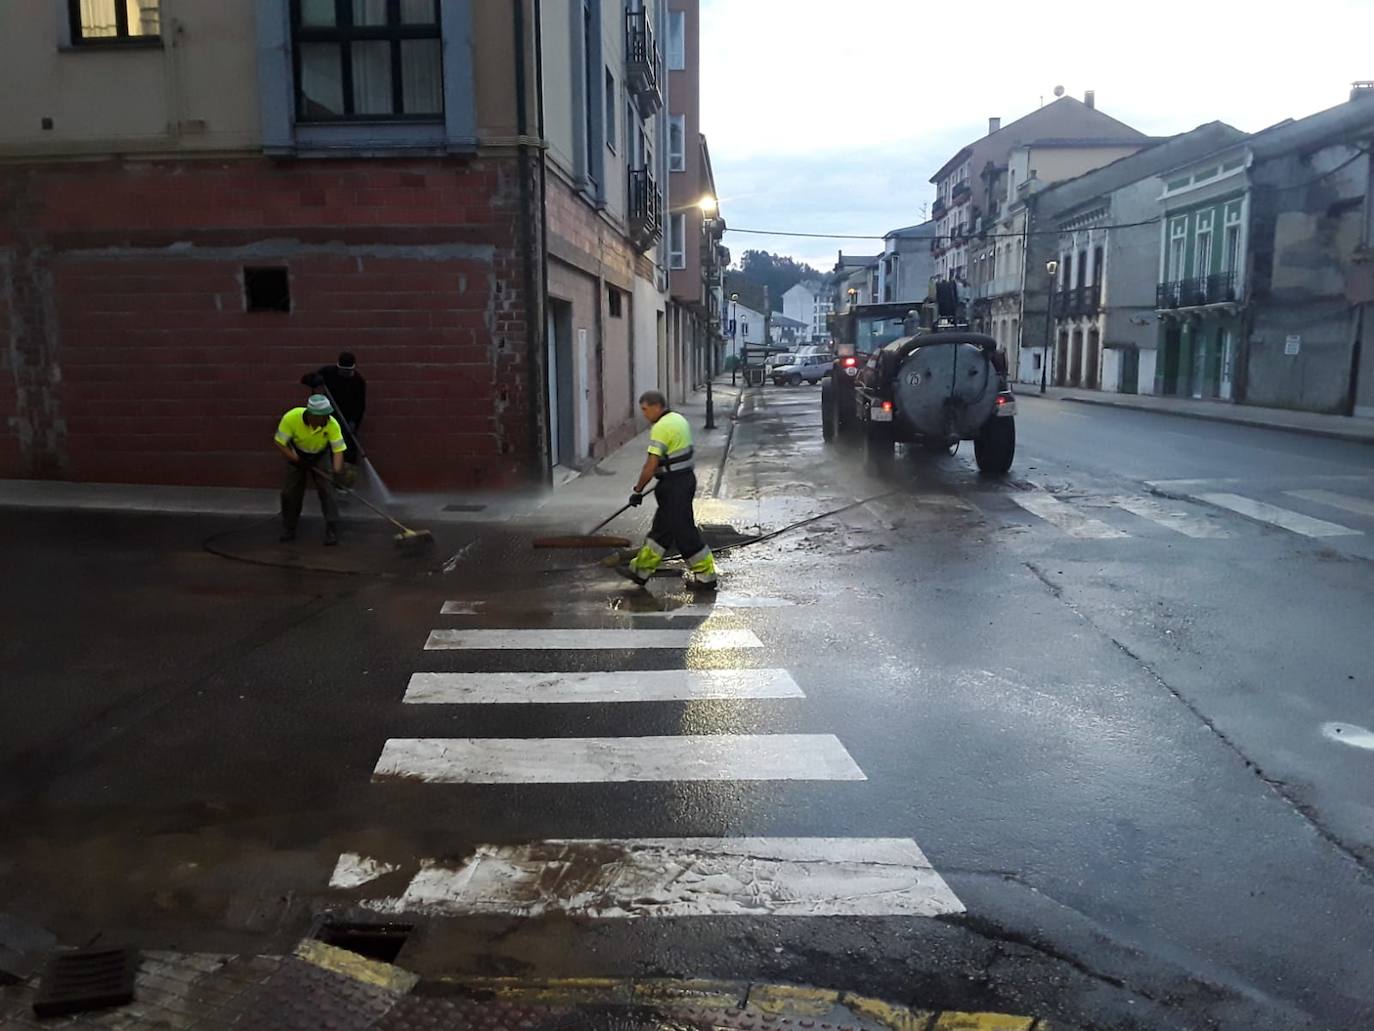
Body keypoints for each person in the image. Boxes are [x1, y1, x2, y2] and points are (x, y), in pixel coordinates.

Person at [617, 390, 718, 590]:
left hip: (674, 487)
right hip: (682, 480)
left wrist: (638, 490)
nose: (644, 414)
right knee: (661, 532)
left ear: (656, 406)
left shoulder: (661, 428)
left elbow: (650, 465)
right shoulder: (678, 419)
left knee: (684, 532)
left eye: (645, 410)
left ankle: (706, 576)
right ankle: (640, 571)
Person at [274, 394, 347, 545]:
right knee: (290, 492)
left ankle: (332, 528)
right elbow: (280, 443)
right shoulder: (291, 418)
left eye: (328, 415)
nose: (327, 418)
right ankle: (289, 527)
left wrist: (336, 472)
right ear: (312, 415)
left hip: (320, 455)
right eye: (323, 416)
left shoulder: (332, 424)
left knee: (328, 491)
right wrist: (297, 460)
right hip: (297, 454)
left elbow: (338, 451)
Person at [302, 352, 366, 465]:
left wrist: (354, 422)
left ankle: (345, 471)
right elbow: (305, 379)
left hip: (347, 419)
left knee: (348, 447)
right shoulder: (328, 372)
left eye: (348, 371)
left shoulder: (358, 382)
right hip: (328, 415)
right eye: (342, 370)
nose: (344, 373)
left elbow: (360, 406)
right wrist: (314, 380)